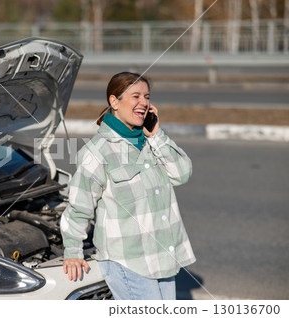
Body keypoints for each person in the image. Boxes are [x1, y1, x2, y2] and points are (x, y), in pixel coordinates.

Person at [60, 72, 196, 300]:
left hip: (162, 258)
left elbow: (182, 173)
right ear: (114, 102)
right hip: (128, 262)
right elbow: (79, 207)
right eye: (136, 96)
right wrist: (72, 251)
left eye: (147, 96)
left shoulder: (151, 142)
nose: (144, 102)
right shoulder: (97, 152)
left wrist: (156, 134)